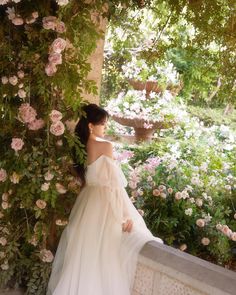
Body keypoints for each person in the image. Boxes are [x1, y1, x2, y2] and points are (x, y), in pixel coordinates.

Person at [47, 104, 163, 295]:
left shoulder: (79, 147)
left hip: (86, 202)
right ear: (91, 125)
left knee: (82, 253)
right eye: (103, 124)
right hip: (102, 203)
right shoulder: (105, 146)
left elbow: (85, 182)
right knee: (102, 254)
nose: (105, 128)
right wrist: (122, 216)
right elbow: (112, 187)